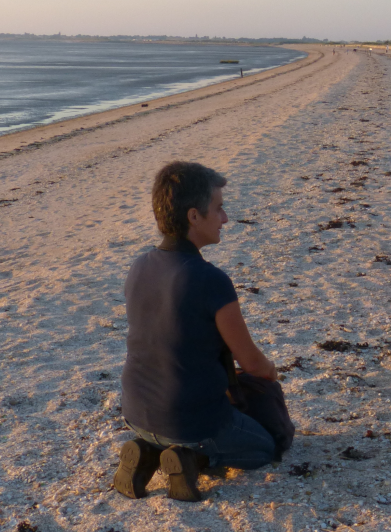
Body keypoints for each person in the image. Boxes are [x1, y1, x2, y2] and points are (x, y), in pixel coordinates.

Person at [114, 162, 278, 502]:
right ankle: (192, 458)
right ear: (193, 216)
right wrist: (270, 375)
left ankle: (148, 449)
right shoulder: (211, 281)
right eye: (218, 208)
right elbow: (252, 365)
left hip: (135, 412)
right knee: (264, 447)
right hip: (190, 423)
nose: (225, 218)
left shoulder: (140, 265)